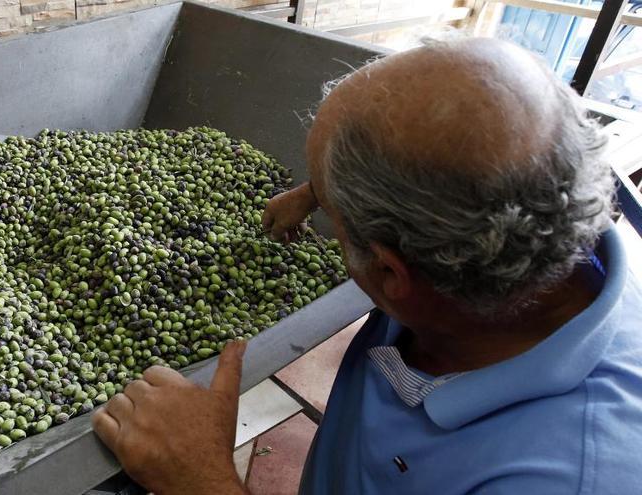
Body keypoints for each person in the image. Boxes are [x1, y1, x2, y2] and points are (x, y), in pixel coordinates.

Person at [91, 37, 642, 494]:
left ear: (390, 275)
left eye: (337, 221)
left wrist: (203, 479)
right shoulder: (517, 251)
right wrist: (319, 191)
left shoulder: (563, 478)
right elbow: (458, 156)